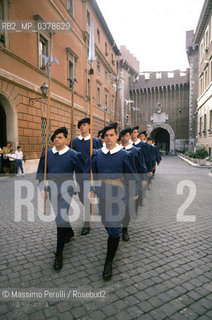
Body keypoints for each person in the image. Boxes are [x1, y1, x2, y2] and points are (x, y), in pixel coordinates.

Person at [84, 122, 140, 280]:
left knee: (114, 229)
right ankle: (114, 237)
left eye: (111, 135)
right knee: (106, 223)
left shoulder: (125, 155)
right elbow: (89, 173)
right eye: (106, 135)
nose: (109, 138)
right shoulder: (96, 154)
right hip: (102, 195)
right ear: (103, 138)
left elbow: (132, 174)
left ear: (117, 137)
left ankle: (108, 262)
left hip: (118, 196)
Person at [37, 127, 84, 271]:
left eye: (60, 137)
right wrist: (42, 188)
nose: (57, 140)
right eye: (55, 138)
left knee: (60, 218)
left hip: (66, 189)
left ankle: (59, 253)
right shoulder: (47, 154)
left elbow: (81, 172)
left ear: (66, 139)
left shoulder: (73, 155)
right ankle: (68, 232)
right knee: (60, 215)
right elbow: (40, 173)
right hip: (51, 188)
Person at [69, 117, 102, 235]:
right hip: (79, 175)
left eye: (85, 124)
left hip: (91, 175)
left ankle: (86, 223)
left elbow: (101, 157)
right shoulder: (74, 142)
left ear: (89, 126)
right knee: (83, 198)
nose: (82, 127)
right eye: (80, 125)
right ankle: (90, 208)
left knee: (88, 198)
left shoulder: (96, 141)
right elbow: (70, 159)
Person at [119, 127, 146, 241]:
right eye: (123, 135)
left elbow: (141, 168)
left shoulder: (136, 151)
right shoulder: (117, 151)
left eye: (127, 135)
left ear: (130, 136)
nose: (125, 137)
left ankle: (124, 228)